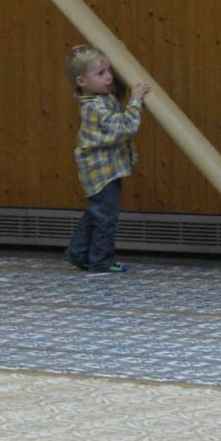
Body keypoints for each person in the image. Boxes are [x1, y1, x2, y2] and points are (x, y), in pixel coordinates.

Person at [62, 46, 150, 275]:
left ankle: (78, 254)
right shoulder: (95, 107)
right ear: (82, 81)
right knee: (106, 218)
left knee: (97, 212)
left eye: (109, 70)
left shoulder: (99, 96)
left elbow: (116, 92)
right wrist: (136, 100)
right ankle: (100, 262)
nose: (109, 76)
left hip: (106, 168)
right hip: (101, 171)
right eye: (101, 73)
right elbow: (124, 128)